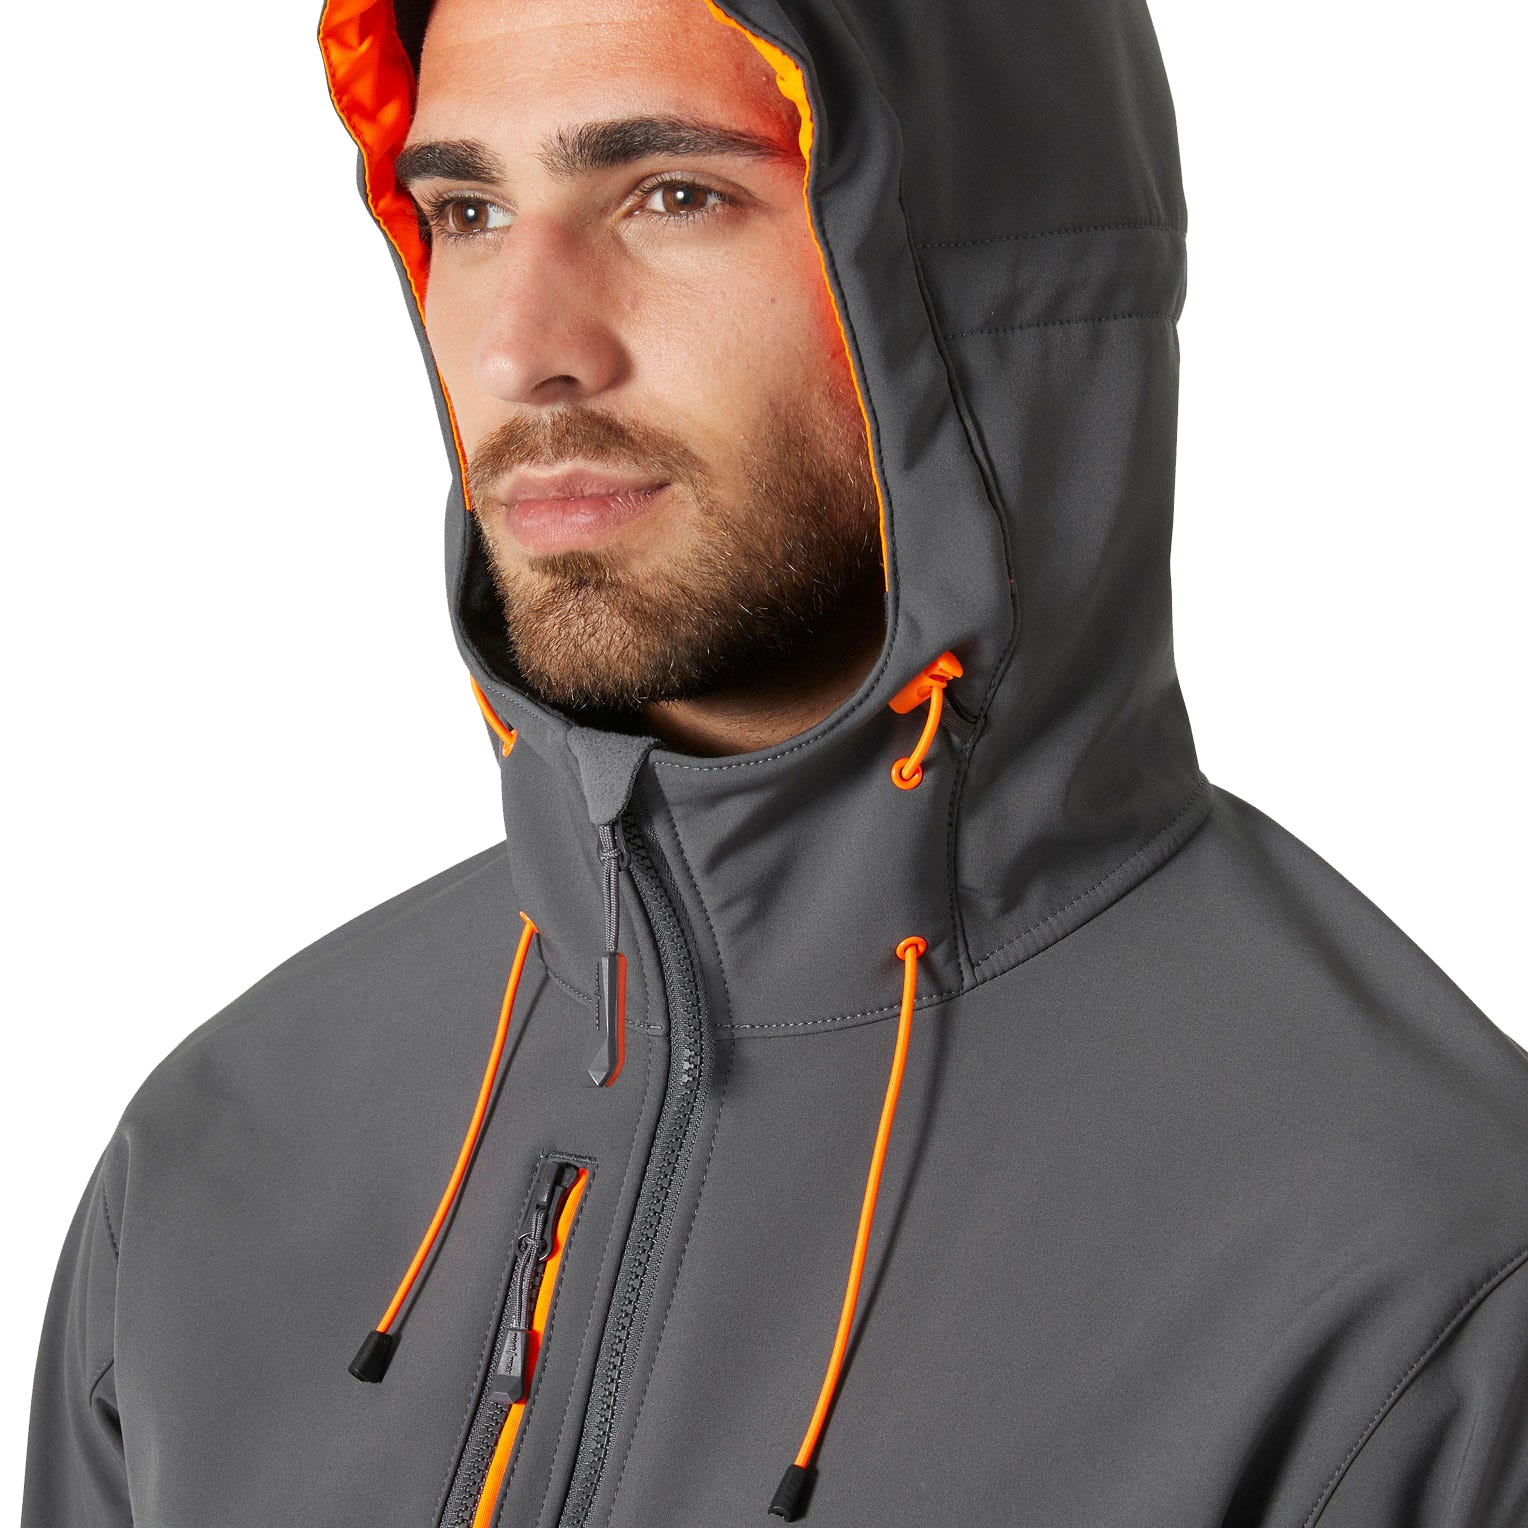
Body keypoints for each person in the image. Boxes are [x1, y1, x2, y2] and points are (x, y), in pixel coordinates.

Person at [22, 0, 1527, 1522]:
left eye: (674, 195)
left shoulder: (1418, 1283)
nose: (522, 349)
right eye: (468, 211)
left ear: (973, 273)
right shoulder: (217, 1167)